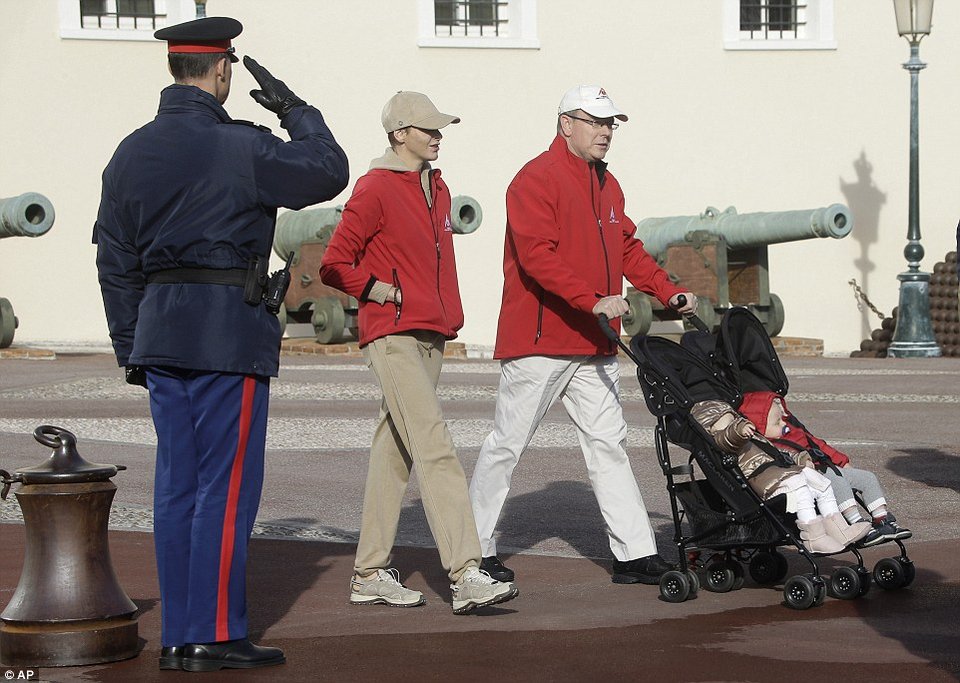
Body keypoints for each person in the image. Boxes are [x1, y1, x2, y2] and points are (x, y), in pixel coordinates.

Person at [94, 16, 349, 672]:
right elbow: (327, 170)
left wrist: (132, 346)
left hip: (160, 333)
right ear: (224, 70)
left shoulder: (129, 152)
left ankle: (183, 632)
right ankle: (214, 632)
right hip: (224, 333)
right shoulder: (241, 146)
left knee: (177, 487)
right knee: (226, 487)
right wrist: (299, 110)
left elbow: (115, 262)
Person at [468, 85, 698, 586]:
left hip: (594, 341)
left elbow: (629, 248)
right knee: (507, 444)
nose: (605, 131)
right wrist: (591, 297)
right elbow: (537, 256)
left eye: (611, 123)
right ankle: (473, 549)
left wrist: (667, 290)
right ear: (565, 123)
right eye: (595, 122)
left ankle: (634, 554)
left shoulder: (607, 184)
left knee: (609, 444)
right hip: (541, 340)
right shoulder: (535, 179)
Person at [319, 91, 518, 614]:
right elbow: (335, 261)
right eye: (428, 128)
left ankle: (368, 573)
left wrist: (447, 314)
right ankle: (466, 572)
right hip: (392, 332)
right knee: (434, 444)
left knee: (396, 451)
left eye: (440, 127)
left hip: (430, 331)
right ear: (399, 133)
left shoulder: (438, 187)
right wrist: (380, 291)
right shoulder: (375, 188)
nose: (438, 134)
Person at [690, 398, 872, 553]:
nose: (733, 423)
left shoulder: (754, 440)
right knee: (798, 483)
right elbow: (726, 439)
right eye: (726, 422)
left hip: (778, 472)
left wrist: (801, 458)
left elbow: (776, 451)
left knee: (819, 480)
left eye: (733, 419)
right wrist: (738, 429)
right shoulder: (729, 441)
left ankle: (839, 528)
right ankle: (814, 536)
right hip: (763, 479)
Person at [739, 390, 911, 547]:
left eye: (782, 419)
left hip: (825, 467)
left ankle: (881, 518)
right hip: (809, 476)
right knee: (837, 481)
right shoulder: (766, 448)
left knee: (867, 478)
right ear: (759, 427)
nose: (783, 425)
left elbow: (818, 444)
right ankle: (855, 522)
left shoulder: (792, 432)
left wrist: (842, 461)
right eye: (777, 422)